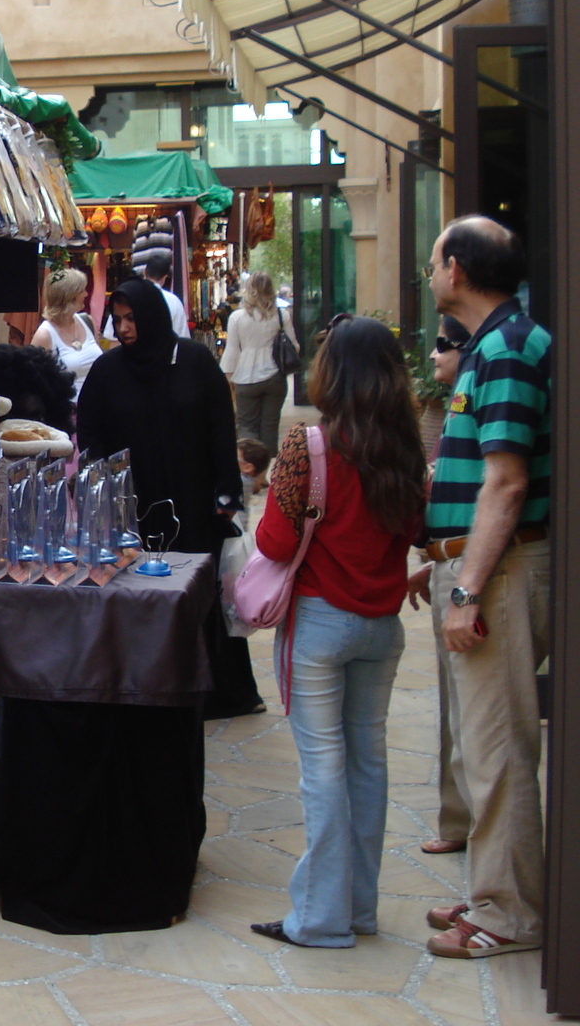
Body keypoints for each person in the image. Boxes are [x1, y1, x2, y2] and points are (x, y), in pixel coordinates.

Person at [247, 316, 426, 948]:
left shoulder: (309, 446)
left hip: (321, 622)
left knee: (323, 770)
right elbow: (413, 531)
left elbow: (273, 539)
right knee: (367, 765)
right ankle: (358, 908)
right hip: (382, 622)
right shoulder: (407, 447)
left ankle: (321, 919)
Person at [407, 216, 551, 960]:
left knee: (497, 749)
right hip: (479, 564)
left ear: (456, 269)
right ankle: (497, 891)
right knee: (482, 746)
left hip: (501, 572)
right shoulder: (496, 347)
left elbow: (507, 482)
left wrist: (467, 587)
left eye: (433, 261)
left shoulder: (508, 350)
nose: (429, 274)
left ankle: (513, 915)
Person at [77, 278, 261, 717]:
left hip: (194, 504)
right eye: (117, 319)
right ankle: (149, 687)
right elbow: (91, 437)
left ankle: (213, 691)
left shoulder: (195, 362)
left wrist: (227, 492)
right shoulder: (107, 371)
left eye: (131, 318)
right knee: (142, 595)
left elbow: (221, 428)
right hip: (132, 508)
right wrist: (98, 492)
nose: (123, 329)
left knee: (199, 594)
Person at [414, 315, 473, 859]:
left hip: (468, 571)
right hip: (447, 563)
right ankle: (459, 821)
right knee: (456, 714)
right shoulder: (457, 399)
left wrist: (466, 591)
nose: (433, 357)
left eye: (442, 346)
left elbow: (503, 486)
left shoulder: (490, 377)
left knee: (477, 722)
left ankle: (501, 893)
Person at [221, 272, 298, 458]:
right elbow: (294, 346)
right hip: (275, 377)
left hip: (245, 377)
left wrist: (228, 378)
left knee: (247, 426)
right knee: (270, 425)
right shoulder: (281, 315)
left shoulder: (237, 317)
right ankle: (266, 471)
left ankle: (251, 470)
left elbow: (232, 351)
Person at [29, 268, 102, 400]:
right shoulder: (44, 335)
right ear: (69, 295)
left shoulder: (87, 321)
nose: (86, 294)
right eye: (82, 290)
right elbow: (34, 383)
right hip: (67, 412)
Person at [103, 250, 188, 340]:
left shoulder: (127, 294)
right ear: (165, 277)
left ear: (144, 272)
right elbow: (182, 339)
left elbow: (111, 337)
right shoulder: (174, 301)